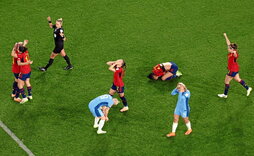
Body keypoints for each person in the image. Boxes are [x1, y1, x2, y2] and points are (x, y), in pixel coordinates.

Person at [218, 33, 252, 98]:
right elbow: (228, 43)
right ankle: (248, 88)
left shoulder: (234, 54)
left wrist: (234, 52)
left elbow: (235, 55)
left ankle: (225, 95)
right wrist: (225, 36)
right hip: (235, 68)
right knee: (238, 79)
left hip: (233, 70)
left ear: (233, 49)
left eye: (229, 48)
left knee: (226, 81)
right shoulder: (231, 51)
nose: (228, 48)